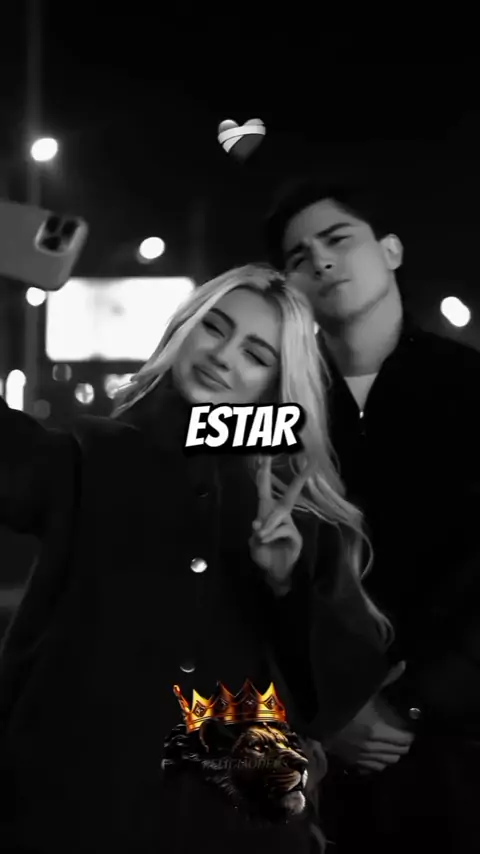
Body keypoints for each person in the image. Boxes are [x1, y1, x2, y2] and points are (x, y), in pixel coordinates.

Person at [0, 264, 392, 854]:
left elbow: (335, 697)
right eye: (215, 327)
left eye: (255, 353)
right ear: (184, 328)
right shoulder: (93, 456)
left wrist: (286, 585)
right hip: (72, 814)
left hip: (236, 830)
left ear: (277, 384)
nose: (223, 355)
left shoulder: (301, 514)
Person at [264, 180, 480, 853]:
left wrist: (415, 700)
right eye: (299, 257)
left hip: (454, 745)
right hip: (307, 752)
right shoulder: (272, 406)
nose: (321, 261)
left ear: (391, 250)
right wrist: (324, 709)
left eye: (338, 239)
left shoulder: (468, 386)